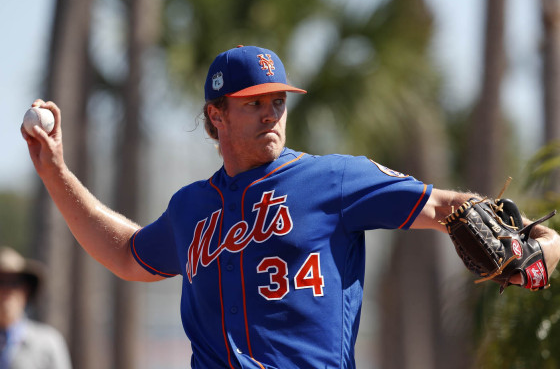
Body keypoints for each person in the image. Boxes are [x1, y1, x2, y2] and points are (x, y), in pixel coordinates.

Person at [22, 45, 560, 369]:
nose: (271, 114)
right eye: (254, 102)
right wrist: (55, 172)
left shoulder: (333, 179)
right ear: (216, 116)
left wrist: (531, 247)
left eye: (277, 101)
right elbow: (126, 254)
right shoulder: (191, 208)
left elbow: (445, 206)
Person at [0, 247, 72, 369]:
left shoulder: (48, 343)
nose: (7, 291)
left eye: (14, 283)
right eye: (1, 282)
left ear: (26, 290)